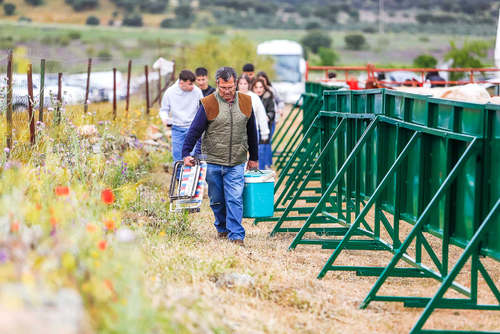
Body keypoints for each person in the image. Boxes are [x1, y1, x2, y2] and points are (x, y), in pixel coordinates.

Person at [182, 67, 259, 245]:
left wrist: (253, 157)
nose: (227, 91)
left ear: (236, 84)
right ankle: (222, 227)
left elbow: (252, 132)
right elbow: (194, 131)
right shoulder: (208, 103)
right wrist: (186, 153)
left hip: (237, 161)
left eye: (231, 87)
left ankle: (236, 235)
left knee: (234, 198)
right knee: (217, 200)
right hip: (213, 161)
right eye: (223, 88)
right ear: (217, 84)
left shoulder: (246, 102)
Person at [159, 70, 203, 165]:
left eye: (193, 83)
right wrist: (165, 119)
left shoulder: (197, 92)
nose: (193, 86)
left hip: (193, 128)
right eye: (190, 84)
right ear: (181, 82)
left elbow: (202, 110)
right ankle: (179, 179)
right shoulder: (170, 92)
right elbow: (164, 110)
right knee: (178, 157)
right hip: (177, 129)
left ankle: (191, 179)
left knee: (193, 158)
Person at [237, 74, 270, 144]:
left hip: (252, 131)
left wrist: (264, 133)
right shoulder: (233, 97)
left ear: (248, 84)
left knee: (252, 153)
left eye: (245, 83)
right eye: (241, 83)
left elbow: (261, 115)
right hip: (237, 133)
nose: (243, 85)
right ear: (237, 84)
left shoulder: (254, 97)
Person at [252, 78, 275, 170]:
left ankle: (263, 168)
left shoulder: (268, 99)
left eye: (261, 87)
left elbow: (272, 111)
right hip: (254, 128)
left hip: (265, 127)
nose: (259, 89)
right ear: (253, 88)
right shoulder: (251, 98)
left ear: (264, 88)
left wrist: (267, 117)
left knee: (262, 150)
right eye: (256, 87)